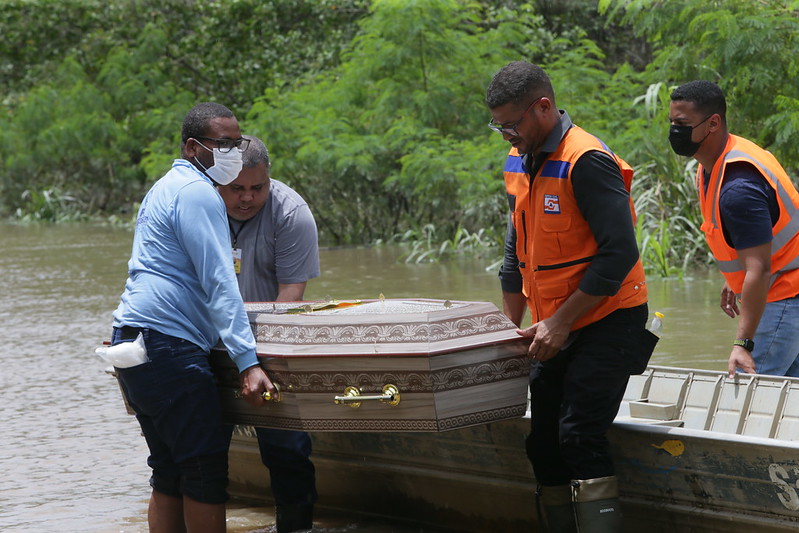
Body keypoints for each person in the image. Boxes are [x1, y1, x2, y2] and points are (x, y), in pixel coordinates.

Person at [485, 61, 656, 533]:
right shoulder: (519, 158)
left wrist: (560, 323)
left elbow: (619, 253)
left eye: (512, 124)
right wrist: (510, 326)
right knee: (541, 442)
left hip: (609, 319)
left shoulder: (587, 161)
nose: (506, 135)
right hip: (551, 324)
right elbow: (513, 251)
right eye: (498, 126)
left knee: (579, 435)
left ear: (543, 107)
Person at [110, 102, 274, 533]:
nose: (232, 152)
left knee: (169, 469)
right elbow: (221, 282)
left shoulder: (165, 187)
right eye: (222, 144)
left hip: (134, 337)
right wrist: (248, 362)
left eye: (236, 143)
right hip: (169, 345)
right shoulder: (197, 193)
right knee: (203, 472)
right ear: (193, 147)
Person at [217, 135, 320, 533]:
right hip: (207, 340)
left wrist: (253, 361)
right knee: (202, 450)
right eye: (236, 189)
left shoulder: (291, 213)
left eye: (257, 188)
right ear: (218, 182)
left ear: (269, 179)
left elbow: (290, 299)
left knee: (287, 448)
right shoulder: (200, 207)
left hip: (272, 341)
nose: (246, 198)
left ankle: (297, 525)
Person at [669, 80, 799, 379]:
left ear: (713, 123)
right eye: (672, 122)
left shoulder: (738, 186)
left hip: (783, 297)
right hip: (787, 293)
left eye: (682, 123)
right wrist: (737, 276)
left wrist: (743, 344)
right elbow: (761, 244)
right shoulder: (720, 160)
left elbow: (760, 269)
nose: (674, 131)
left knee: (747, 388)